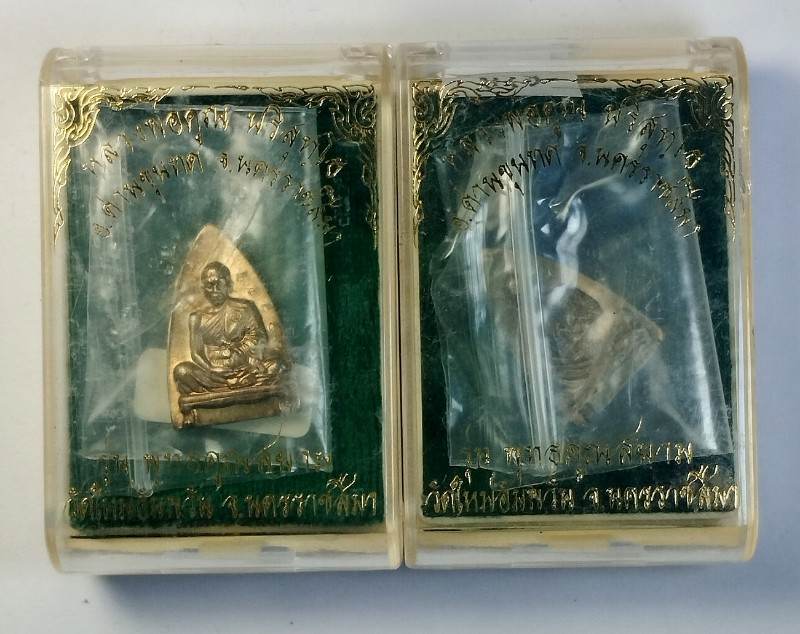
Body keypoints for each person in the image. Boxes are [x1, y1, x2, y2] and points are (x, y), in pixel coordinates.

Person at [173, 261, 283, 395]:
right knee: (181, 371)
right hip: (213, 373)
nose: (214, 290)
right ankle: (223, 387)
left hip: (244, 367)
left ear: (228, 284)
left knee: (276, 364)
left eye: (218, 283)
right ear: (203, 288)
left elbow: (259, 337)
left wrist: (245, 355)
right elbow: (196, 353)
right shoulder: (196, 317)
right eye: (209, 285)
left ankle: (225, 387)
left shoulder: (245, 308)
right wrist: (211, 369)